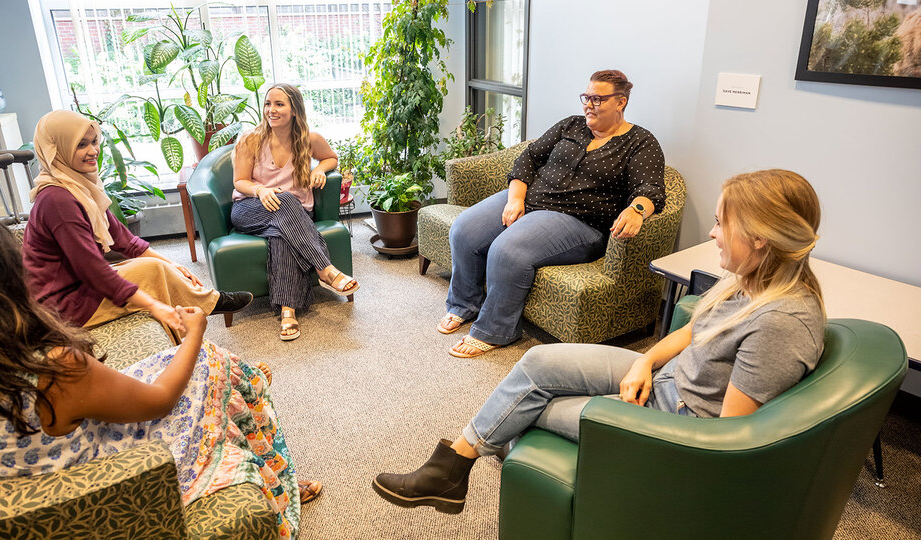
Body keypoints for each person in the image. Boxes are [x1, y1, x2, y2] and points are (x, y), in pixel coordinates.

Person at [374, 169, 826, 514]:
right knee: (537, 363)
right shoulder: (751, 280)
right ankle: (452, 469)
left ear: (761, 240)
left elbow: (729, 441)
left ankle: (454, 474)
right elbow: (695, 330)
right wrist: (643, 362)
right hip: (663, 380)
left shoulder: (780, 323)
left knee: (525, 413)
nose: (712, 234)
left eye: (721, 225)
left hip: (678, 419)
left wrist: (641, 423)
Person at [0, 217, 323, 538]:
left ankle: (247, 390)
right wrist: (195, 332)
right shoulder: (57, 369)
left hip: (51, 470)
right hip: (112, 478)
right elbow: (160, 400)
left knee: (200, 366)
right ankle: (276, 481)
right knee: (213, 363)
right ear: (6, 290)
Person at [439, 69, 666, 358]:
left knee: (507, 250)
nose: (588, 105)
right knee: (464, 229)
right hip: (531, 199)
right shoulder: (571, 125)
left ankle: (495, 331)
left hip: (579, 221)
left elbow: (650, 189)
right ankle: (463, 305)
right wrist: (516, 198)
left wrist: (637, 210)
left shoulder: (641, 142)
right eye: (586, 97)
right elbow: (529, 157)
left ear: (620, 102)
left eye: (598, 99)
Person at [22, 110, 252, 340]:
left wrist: (174, 265)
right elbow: (93, 271)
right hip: (61, 307)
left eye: (94, 142)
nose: (93, 151)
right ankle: (200, 320)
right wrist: (154, 306)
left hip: (76, 286)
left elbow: (124, 239)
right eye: (81, 145)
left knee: (155, 266)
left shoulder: (78, 186)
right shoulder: (58, 200)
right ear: (57, 149)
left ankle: (207, 304)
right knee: (152, 278)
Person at [231, 83, 359, 341]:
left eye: (279, 104)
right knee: (285, 200)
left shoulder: (308, 139)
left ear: (295, 111)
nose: (271, 110)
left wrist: (319, 169)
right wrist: (260, 191)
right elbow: (239, 181)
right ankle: (326, 270)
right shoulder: (251, 139)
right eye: (268, 104)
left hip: (292, 216)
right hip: (250, 208)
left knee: (282, 236)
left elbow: (331, 158)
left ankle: (288, 311)